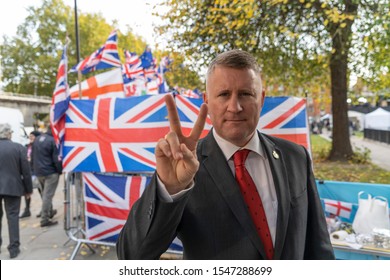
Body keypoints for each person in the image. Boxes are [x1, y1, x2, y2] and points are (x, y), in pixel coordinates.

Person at [116, 50, 334, 260]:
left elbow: (318, 248)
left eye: (246, 94)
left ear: (262, 99)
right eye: (223, 94)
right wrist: (170, 188)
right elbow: (132, 256)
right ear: (207, 101)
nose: (235, 107)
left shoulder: (295, 157)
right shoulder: (185, 166)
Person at [0, 123, 33, 258]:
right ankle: (14, 249)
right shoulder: (18, 148)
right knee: (12, 217)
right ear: (9, 134)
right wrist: (28, 189)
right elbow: (26, 171)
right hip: (13, 186)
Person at [32, 125, 62, 227]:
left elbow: (32, 156)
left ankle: (49, 211)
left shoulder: (37, 139)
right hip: (50, 172)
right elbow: (56, 159)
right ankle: (44, 219)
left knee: (45, 194)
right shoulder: (53, 141)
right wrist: (60, 171)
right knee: (47, 196)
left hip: (39, 172)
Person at [20, 130, 41, 218]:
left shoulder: (39, 146)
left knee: (42, 191)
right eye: (30, 136)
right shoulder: (26, 146)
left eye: (33, 136)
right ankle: (27, 210)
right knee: (27, 191)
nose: (31, 137)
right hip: (28, 172)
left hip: (37, 171)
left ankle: (46, 209)